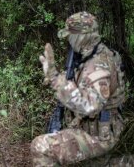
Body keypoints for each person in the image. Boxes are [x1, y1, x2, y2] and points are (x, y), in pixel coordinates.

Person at [31, 11, 125, 166]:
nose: (68, 40)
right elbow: (81, 84)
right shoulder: (92, 54)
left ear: (82, 37)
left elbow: (89, 107)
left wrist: (55, 79)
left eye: (70, 36)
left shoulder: (98, 65)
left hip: (99, 134)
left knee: (40, 146)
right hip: (93, 126)